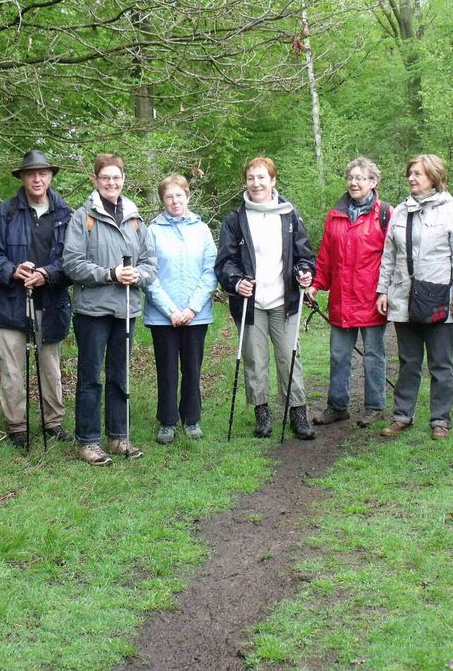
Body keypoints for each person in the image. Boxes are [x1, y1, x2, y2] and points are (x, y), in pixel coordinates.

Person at [64, 153, 157, 466]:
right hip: (92, 311)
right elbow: (72, 264)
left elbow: (150, 264)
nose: (111, 183)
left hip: (126, 310)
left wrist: (137, 276)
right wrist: (110, 274)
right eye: (105, 178)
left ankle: (119, 437)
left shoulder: (134, 218)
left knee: (122, 375)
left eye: (116, 177)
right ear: (95, 180)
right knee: (91, 377)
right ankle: (88, 441)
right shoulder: (83, 217)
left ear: (123, 180)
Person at [215, 157, 316, 440]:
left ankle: (297, 412)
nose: (256, 183)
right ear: (245, 181)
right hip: (250, 303)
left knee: (289, 358)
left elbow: (304, 257)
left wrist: (304, 273)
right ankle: (262, 413)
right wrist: (237, 282)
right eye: (251, 178)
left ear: (273, 180)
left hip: (284, 301)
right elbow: (225, 262)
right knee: (254, 360)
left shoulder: (289, 215)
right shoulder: (235, 219)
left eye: (262, 177)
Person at [0, 150, 74, 448]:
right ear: (21, 177)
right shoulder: (5, 213)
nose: (37, 178)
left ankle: (53, 422)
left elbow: (74, 260)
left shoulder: (66, 214)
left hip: (52, 303)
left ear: (51, 176)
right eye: (31, 173)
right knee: (12, 369)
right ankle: (17, 425)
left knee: (51, 367)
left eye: (43, 173)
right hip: (10, 303)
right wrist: (11, 270)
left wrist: (47, 273)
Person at [376, 154, 453, 441]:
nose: (411, 178)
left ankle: (440, 420)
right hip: (404, 297)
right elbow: (389, 256)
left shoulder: (452, 211)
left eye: (417, 173)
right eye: (410, 173)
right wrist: (383, 290)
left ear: (434, 177)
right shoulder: (401, 212)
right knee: (408, 361)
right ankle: (402, 415)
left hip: (439, 298)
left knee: (441, 363)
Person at [306, 157, 391, 429]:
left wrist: (386, 292)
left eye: (360, 178)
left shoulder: (386, 214)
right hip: (342, 300)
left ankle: (375, 407)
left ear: (373, 182)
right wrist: (316, 285)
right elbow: (326, 257)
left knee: (374, 355)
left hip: (372, 299)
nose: (353, 182)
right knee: (339, 355)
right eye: (350, 177)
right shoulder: (335, 215)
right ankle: (337, 406)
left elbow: (394, 258)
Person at [144, 174, 218, 444]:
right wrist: (170, 311)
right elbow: (149, 274)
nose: (175, 201)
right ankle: (167, 421)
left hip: (196, 315)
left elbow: (211, 271)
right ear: (163, 200)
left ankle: (192, 418)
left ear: (188, 196)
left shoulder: (202, 230)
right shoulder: (152, 231)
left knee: (192, 368)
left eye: (179, 195)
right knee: (166, 369)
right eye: (169, 196)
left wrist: (192, 308)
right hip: (162, 317)